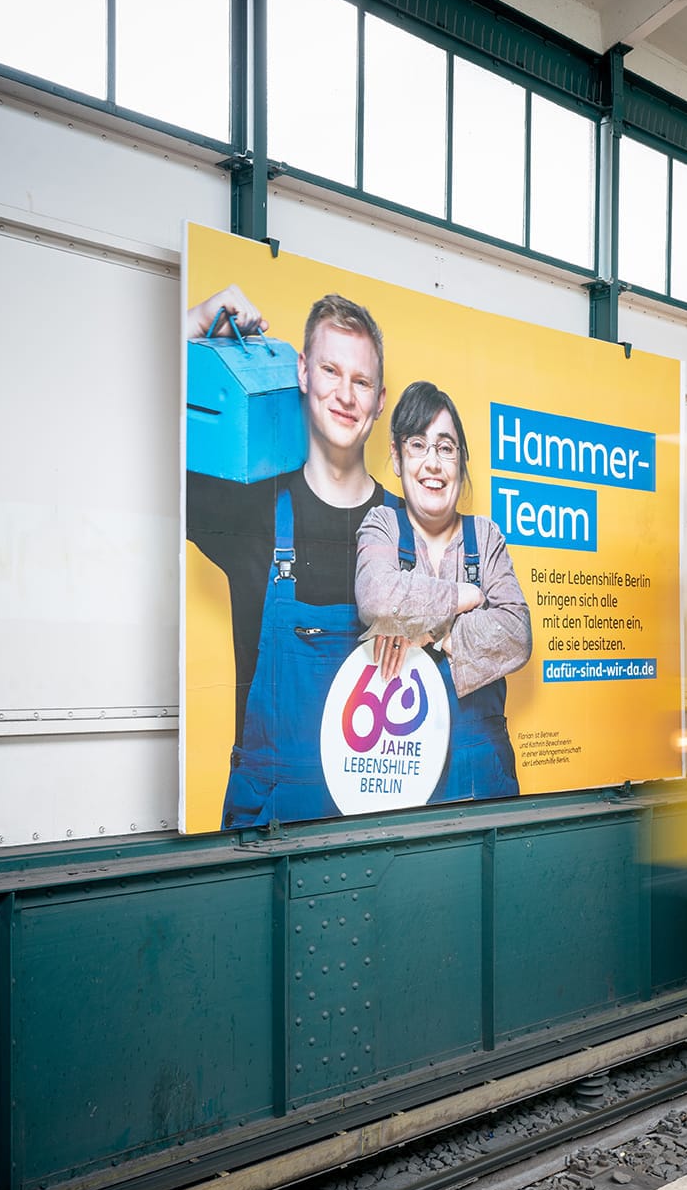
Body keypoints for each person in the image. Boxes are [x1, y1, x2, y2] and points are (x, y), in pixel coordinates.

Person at [186, 284, 398, 828]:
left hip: (382, 821)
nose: (346, 396)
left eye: (362, 381)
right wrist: (195, 320)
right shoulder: (246, 511)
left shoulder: (408, 533)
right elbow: (129, 431)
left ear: (379, 399)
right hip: (268, 831)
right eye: (331, 372)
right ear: (302, 373)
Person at [355, 381, 531, 802]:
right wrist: (462, 597)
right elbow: (377, 597)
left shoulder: (485, 536)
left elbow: (517, 633)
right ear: (397, 458)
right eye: (418, 445)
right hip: (398, 765)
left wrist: (433, 632)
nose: (433, 463)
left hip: (482, 775)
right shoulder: (381, 523)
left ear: (461, 461)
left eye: (446, 448)